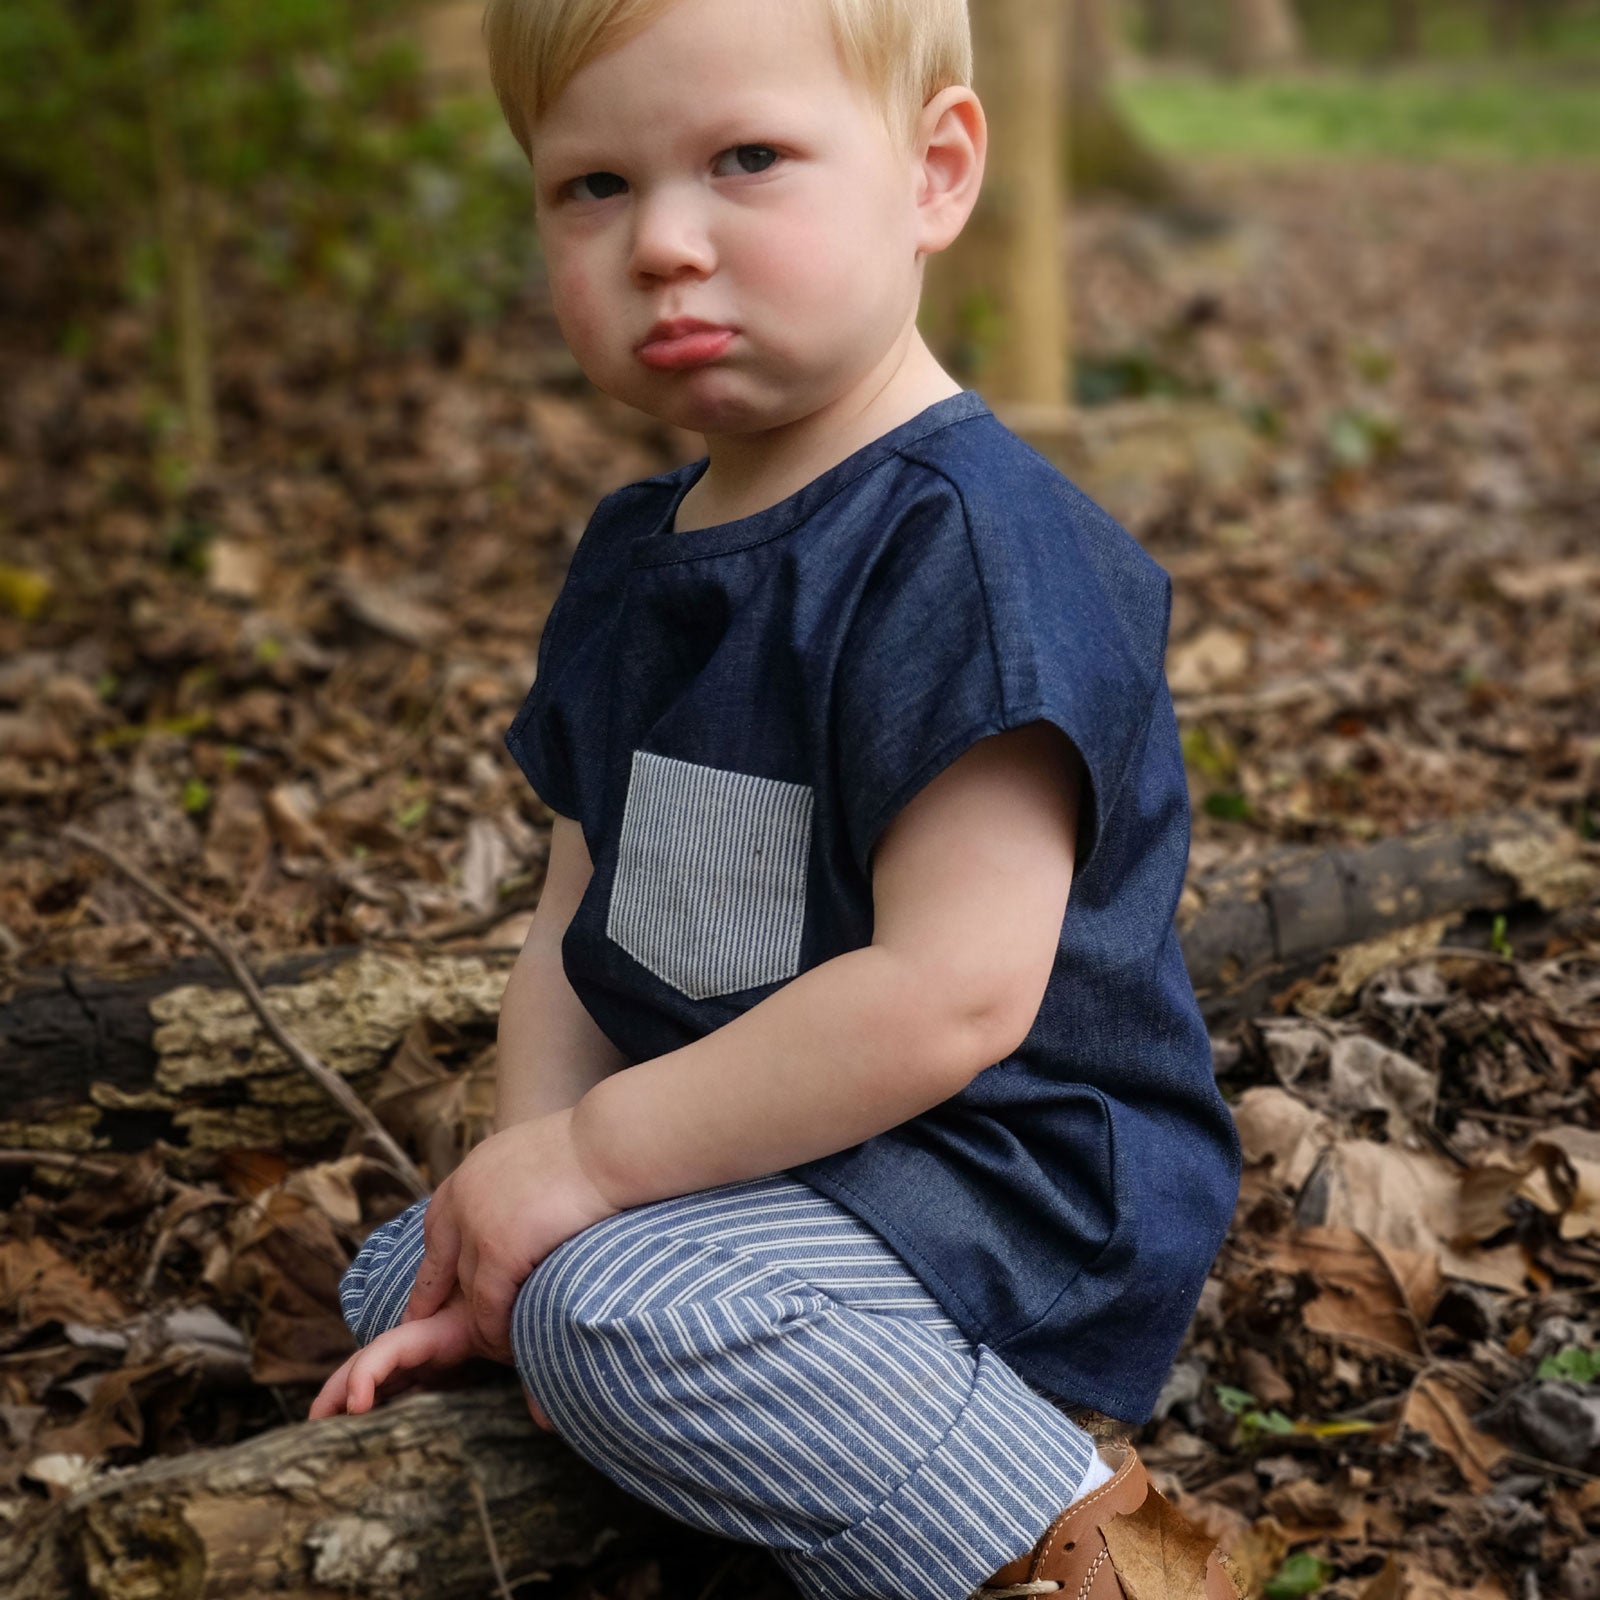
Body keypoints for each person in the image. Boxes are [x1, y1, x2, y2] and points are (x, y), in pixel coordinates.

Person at [309, 0, 1244, 1595]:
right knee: (410, 1270)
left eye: (747, 159)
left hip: (994, 1183)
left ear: (935, 174)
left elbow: (954, 997)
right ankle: (743, 1450)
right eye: (590, 185)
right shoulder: (634, 553)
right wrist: (537, 1169)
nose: (664, 241)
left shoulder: (969, 551)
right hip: (747, 1149)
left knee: (610, 1308)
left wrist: (592, 1178)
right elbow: (569, 920)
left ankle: (1067, 1527)